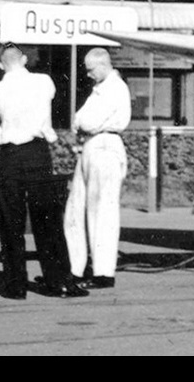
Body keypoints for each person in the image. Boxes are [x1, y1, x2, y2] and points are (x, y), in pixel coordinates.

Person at [0, 43, 86, 300]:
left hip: (10, 157)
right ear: (25, 59)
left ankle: (15, 285)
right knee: (48, 220)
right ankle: (59, 281)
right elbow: (50, 98)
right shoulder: (43, 82)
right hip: (38, 154)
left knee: (11, 222)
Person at [64, 48, 131, 289]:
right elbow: (80, 120)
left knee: (101, 210)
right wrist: (80, 123)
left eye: (91, 70)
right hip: (92, 147)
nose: (89, 75)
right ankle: (76, 267)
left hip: (105, 146)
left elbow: (87, 121)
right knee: (77, 208)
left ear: (103, 65)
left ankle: (103, 272)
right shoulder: (100, 90)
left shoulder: (114, 88)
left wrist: (80, 123)